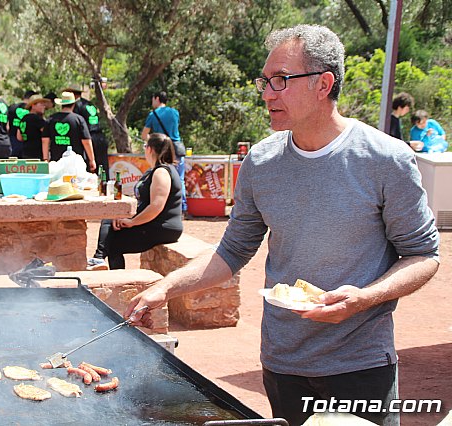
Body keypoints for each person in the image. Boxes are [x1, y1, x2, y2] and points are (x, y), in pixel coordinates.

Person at [125, 24, 439, 426]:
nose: (267, 93)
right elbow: (233, 251)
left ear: (324, 84)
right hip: (282, 362)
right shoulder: (261, 161)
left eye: (281, 80)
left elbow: (423, 255)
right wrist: (164, 289)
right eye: (265, 81)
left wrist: (363, 298)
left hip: (359, 366)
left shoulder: (386, 159)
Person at [88, 133, 182, 270]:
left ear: (150, 149)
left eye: (145, 146)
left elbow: (156, 206)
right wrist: (125, 217)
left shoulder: (161, 172)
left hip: (162, 227)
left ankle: (100, 259)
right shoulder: (153, 171)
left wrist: (133, 222)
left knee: (114, 242)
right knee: (111, 220)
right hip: (153, 223)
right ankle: (99, 259)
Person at [141, 91, 187, 215]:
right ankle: (182, 208)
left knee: (161, 177)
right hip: (177, 148)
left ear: (157, 99)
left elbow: (144, 135)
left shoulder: (153, 114)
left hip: (162, 149)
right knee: (180, 179)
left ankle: (164, 207)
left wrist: (150, 139)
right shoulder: (174, 112)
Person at [42, 91, 96, 172]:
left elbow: (45, 141)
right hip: (75, 163)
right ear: (73, 104)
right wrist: (92, 160)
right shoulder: (79, 119)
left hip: (56, 162)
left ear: (61, 105)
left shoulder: (51, 119)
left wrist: (45, 159)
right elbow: (86, 141)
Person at [65, 84, 110, 178]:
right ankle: (104, 188)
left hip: (89, 138)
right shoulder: (89, 104)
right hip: (100, 136)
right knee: (103, 167)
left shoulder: (76, 106)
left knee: (89, 168)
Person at [16, 94, 52, 160]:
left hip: (25, 153)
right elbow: (47, 133)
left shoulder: (23, 119)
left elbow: (19, 137)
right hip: (37, 155)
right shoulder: (37, 119)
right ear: (33, 105)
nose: (43, 106)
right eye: (41, 104)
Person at [7, 89, 37, 158]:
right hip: (27, 142)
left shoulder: (12, 107)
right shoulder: (32, 111)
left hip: (12, 140)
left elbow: (7, 125)